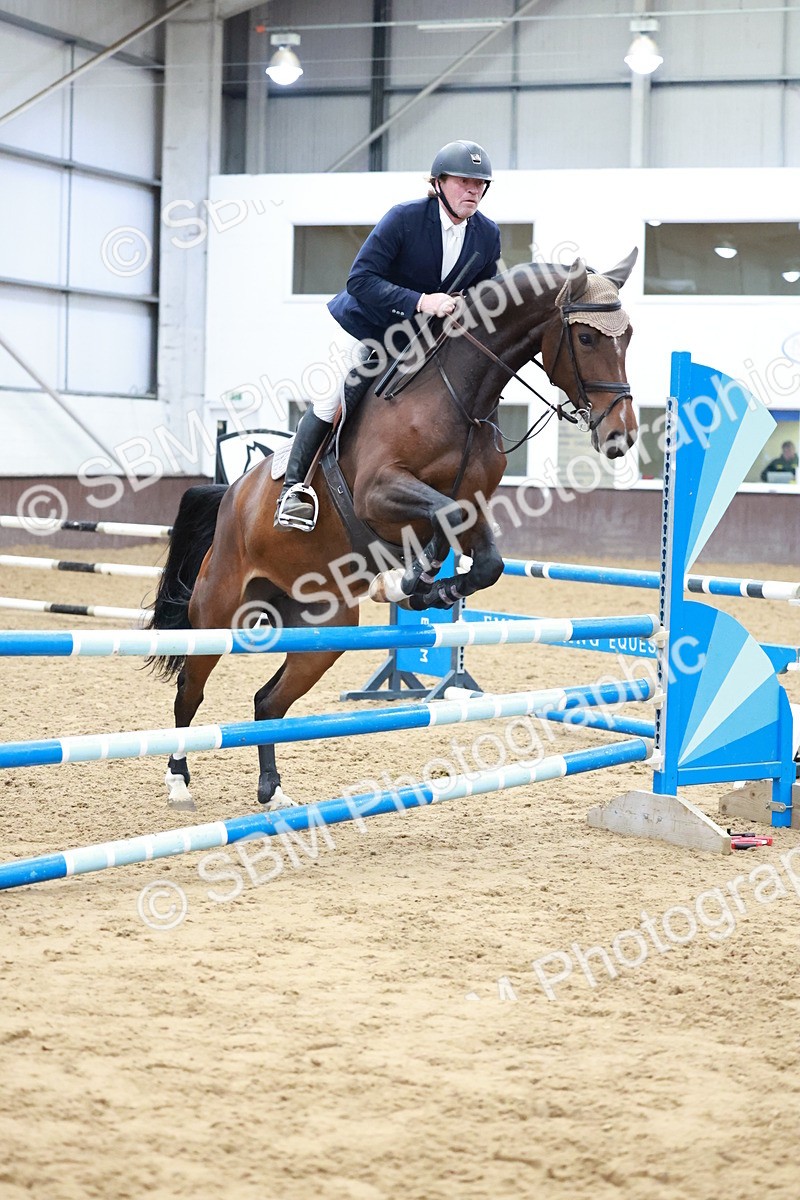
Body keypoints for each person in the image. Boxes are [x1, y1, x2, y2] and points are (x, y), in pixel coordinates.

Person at [274, 139, 502, 531]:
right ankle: (293, 491)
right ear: (439, 183)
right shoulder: (405, 218)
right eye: (464, 181)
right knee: (332, 397)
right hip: (371, 325)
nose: (473, 190)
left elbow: (484, 294)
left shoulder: (487, 234)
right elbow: (360, 280)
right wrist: (421, 301)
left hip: (428, 340)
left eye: (480, 184)